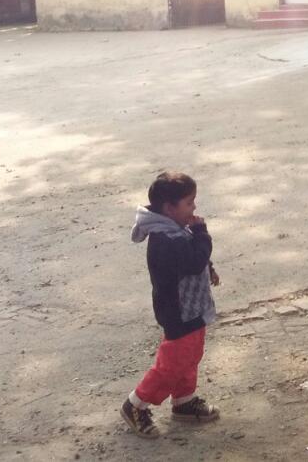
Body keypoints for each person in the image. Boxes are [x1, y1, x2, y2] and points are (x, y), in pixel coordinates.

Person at [121, 171, 221, 438]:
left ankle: (184, 400)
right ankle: (136, 404)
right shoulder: (164, 239)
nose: (194, 207)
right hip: (178, 311)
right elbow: (192, 260)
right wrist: (203, 234)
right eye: (189, 202)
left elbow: (195, 259)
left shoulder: (176, 228)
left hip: (193, 307)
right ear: (169, 208)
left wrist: (208, 268)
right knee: (172, 363)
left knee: (191, 356)